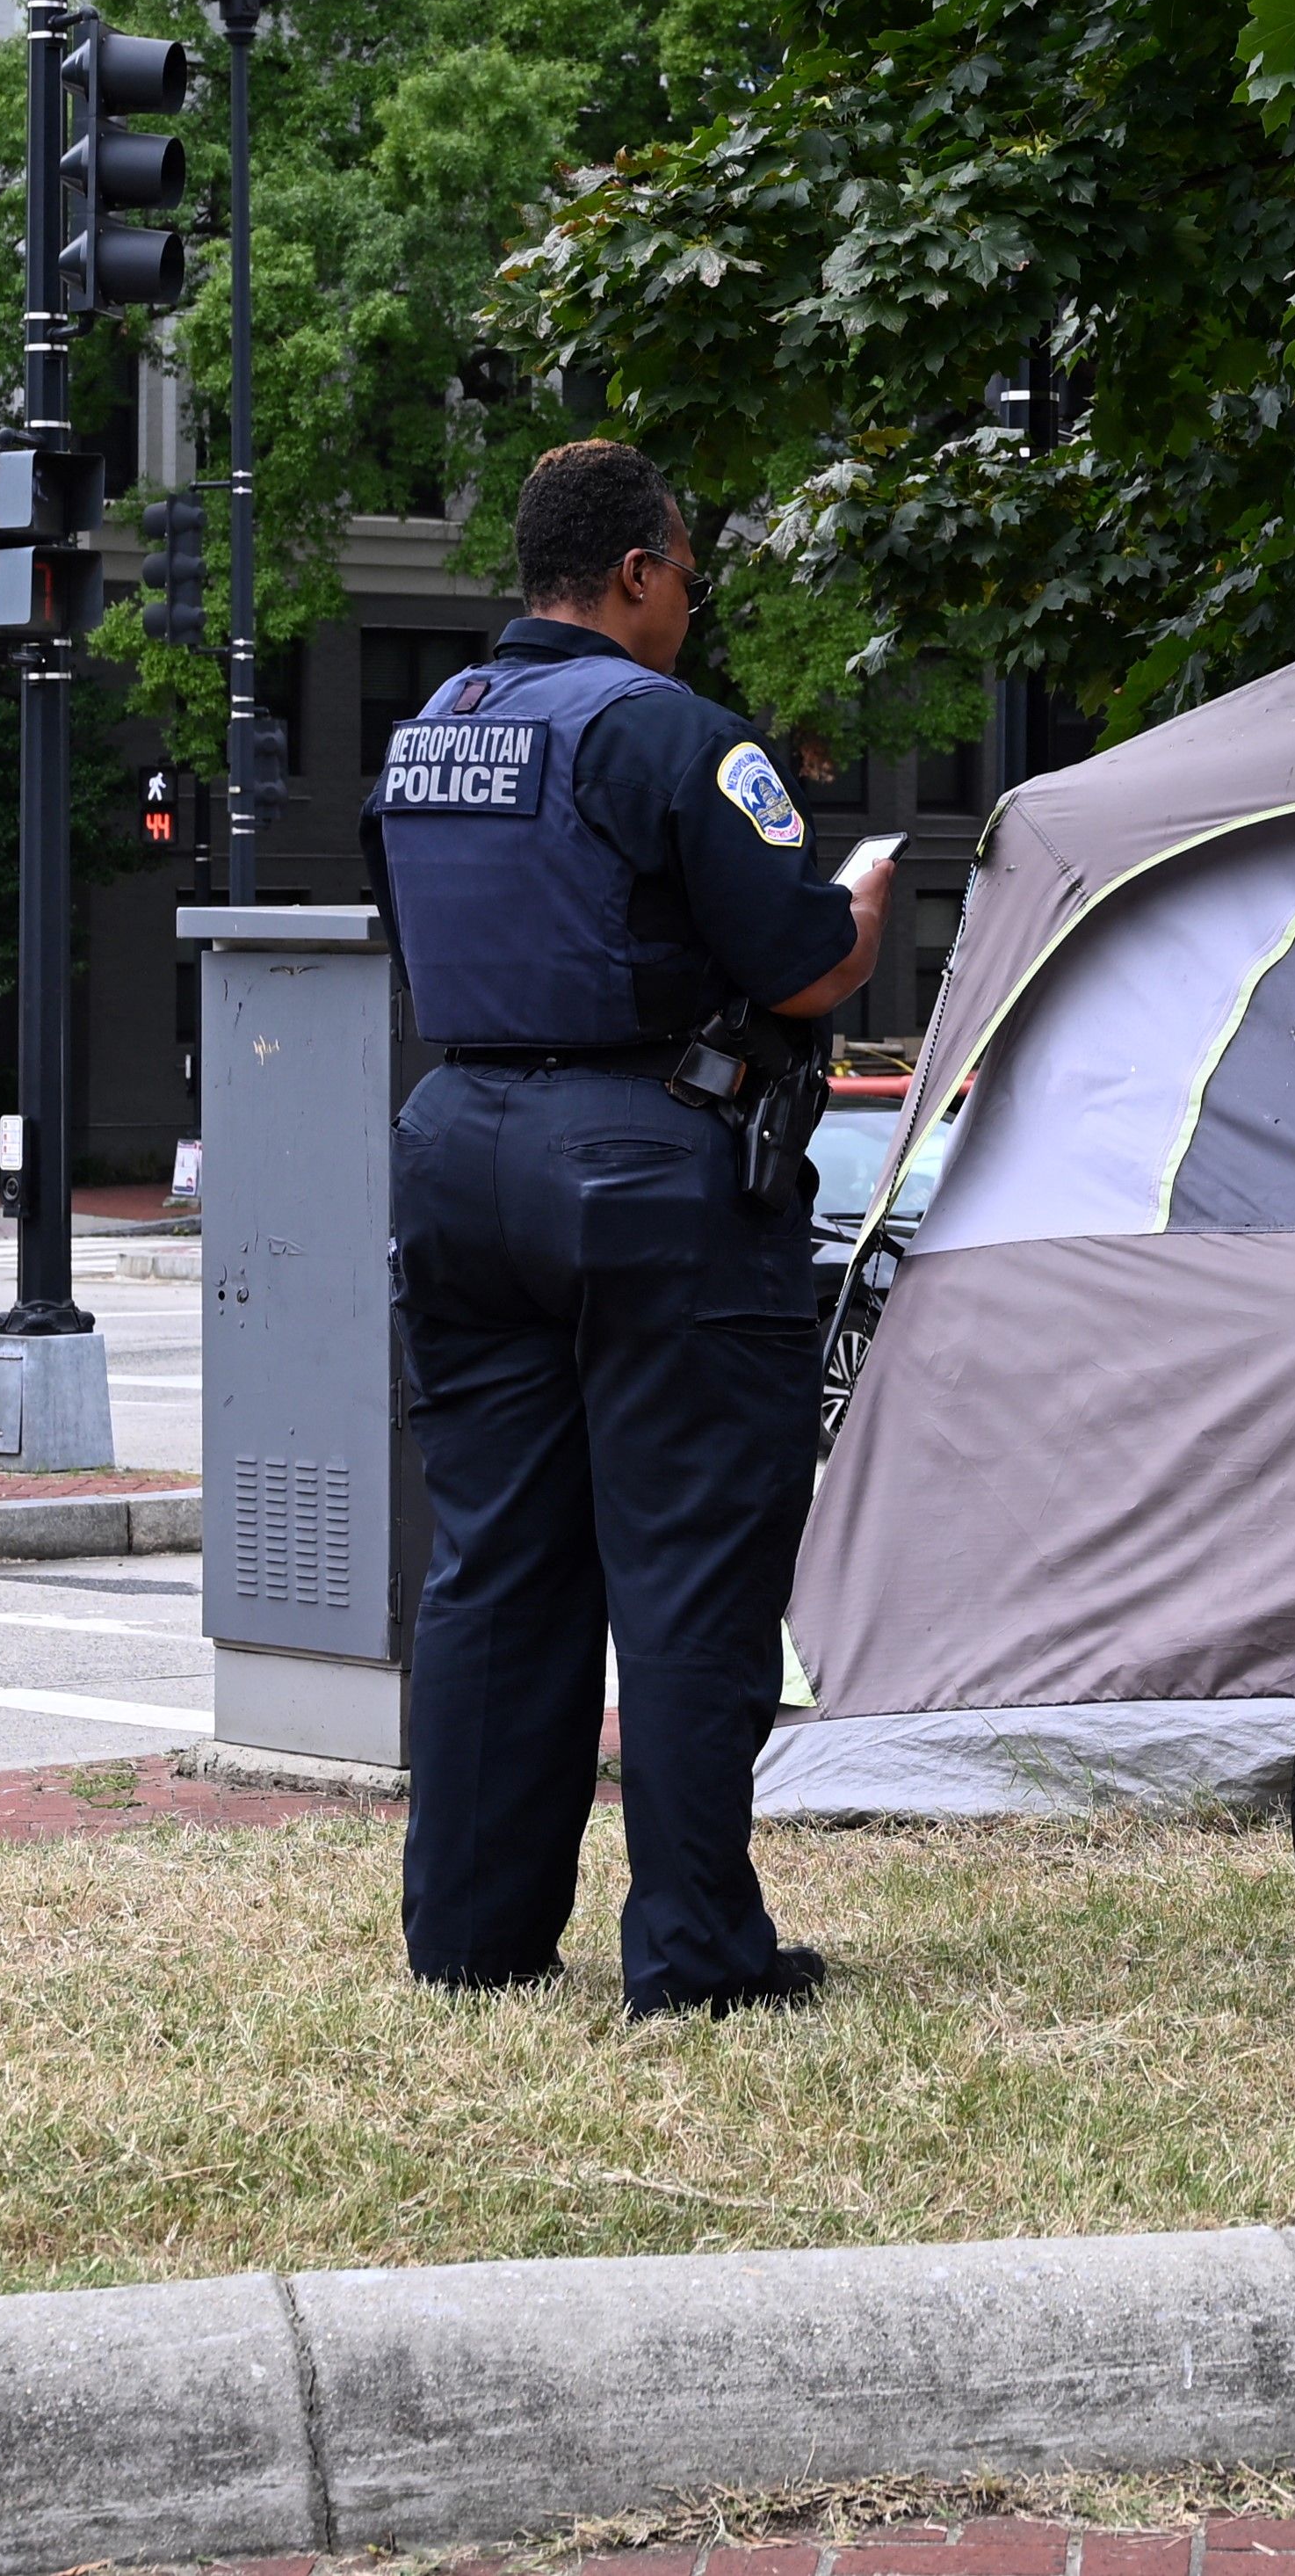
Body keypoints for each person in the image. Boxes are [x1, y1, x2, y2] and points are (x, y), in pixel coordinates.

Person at [361, 439, 891, 2016]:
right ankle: (693, 1952)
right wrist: (859, 910)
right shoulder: (672, 737)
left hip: (455, 1149)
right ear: (641, 570)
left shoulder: (428, 737)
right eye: (686, 570)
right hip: (649, 1164)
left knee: (496, 1564)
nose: (690, 599)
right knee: (688, 1567)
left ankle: (473, 1934)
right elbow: (798, 967)